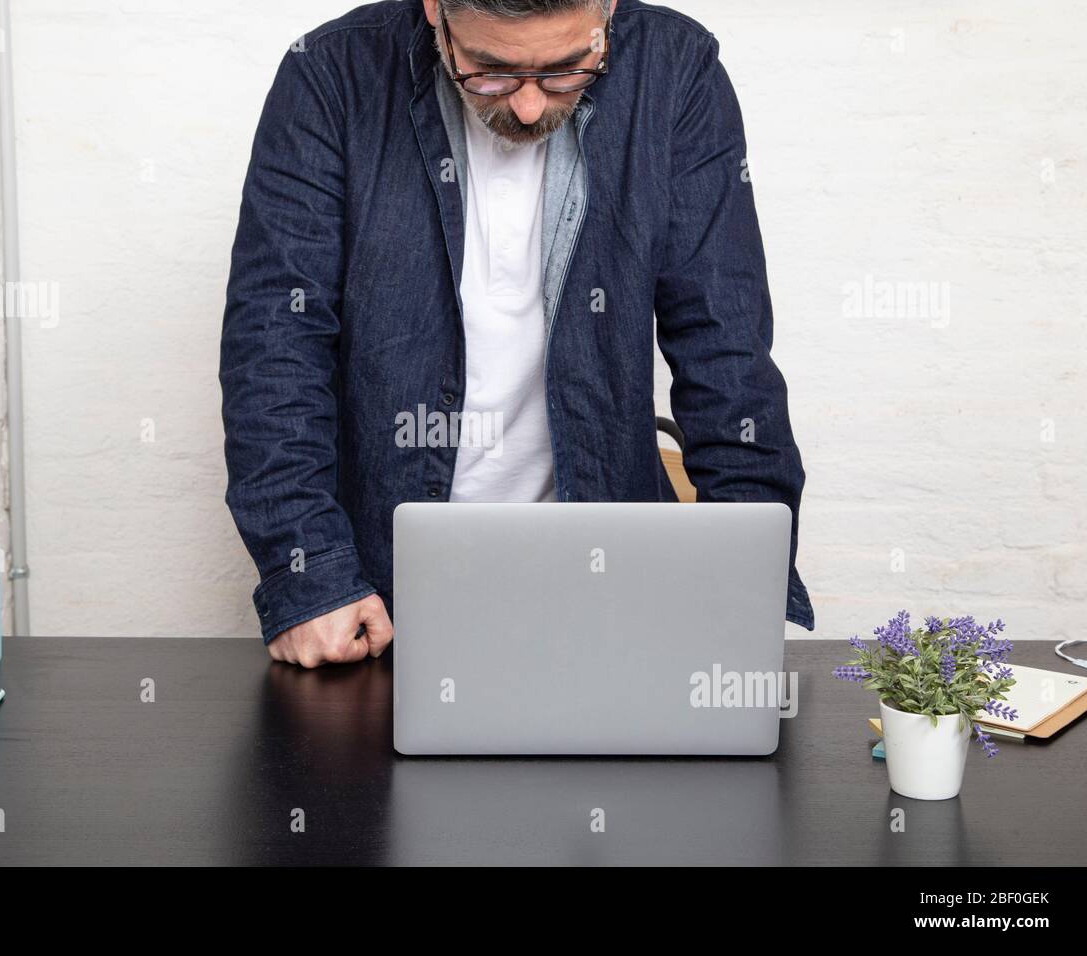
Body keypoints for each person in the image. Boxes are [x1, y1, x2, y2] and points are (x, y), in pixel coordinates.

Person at [220, 0, 813, 668]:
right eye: (491, 73)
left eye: (566, 71)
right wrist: (310, 576)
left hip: (608, 580)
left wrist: (741, 584)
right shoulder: (332, 74)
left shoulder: (676, 69)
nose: (529, 108)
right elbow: (274, 347)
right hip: (376, 597)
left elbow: (724, 345)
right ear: (435, 10)